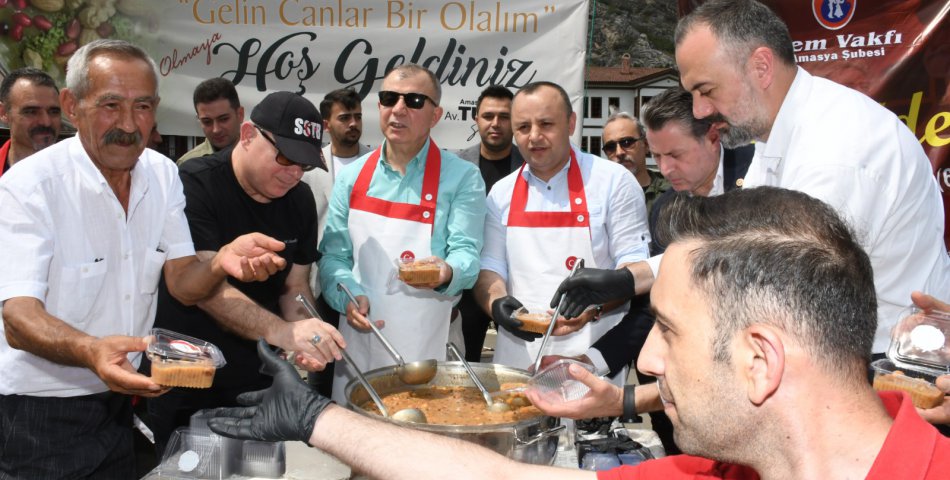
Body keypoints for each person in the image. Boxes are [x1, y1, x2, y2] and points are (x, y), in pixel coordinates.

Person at [208, 187, 950, 480]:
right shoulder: (728, 469)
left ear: (760, 361)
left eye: (665, 328)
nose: (649, 359)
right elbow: (501, 477)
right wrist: (319, 418)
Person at [553, 0, 950, 358]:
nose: (701, 109)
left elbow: (779, 288)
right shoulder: (779, 132)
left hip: (888, 373)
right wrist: (627, 279)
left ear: (760, 66)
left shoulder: (836, 150)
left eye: (706, 89)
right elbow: (732, 241)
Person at [0, 39, 286, 480]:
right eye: (110, 105)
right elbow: (18, 319)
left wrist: (219, 261)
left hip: (122, 404)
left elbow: (180, 280)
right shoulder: (29, 186)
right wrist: (92, 350)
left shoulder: (162, 172)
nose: (129, 124)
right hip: (39, 412)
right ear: (72, 106)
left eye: (144, 106)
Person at [145, 91, 345, 455]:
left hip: (258, 377)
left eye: (305, 164)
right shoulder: (195, 182)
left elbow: (294, 289)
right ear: (249, 134)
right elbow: (206, 291)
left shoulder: (300, 200)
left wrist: (308, 336)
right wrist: (285, 332)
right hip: (186, 374)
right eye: (285, 157)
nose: (294, 173)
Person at [318, 64, 486, 402]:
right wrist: (346, 294)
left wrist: (446, 272)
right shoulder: (352, 177)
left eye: (413, 100)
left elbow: (467, 253)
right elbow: (334, 255)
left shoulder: (462, 177)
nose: (399, 108)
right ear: (379, 106)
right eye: (389, 98)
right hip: (360, 343)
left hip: (431, 342)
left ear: (435, 114)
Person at [473, 81, 650, 385]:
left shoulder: (614, 182)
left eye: (545, 124)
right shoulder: (500, 193)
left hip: (593, 356)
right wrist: (496, 304)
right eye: (523, 127)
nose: (534, 136)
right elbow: (490, 267)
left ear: (570, 123)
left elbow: (635, 267)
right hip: (518, 357)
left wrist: (593, 307)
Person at [302, 87, 373, 394]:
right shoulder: (307, 168)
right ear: (326, 124)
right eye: (345, 118)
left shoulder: (377, 163)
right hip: (320, 282)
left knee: (365, 365)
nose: (353, 123)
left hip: (365, 283)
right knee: (324, 364)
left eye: (358, 116)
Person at [457, 84, 524, 362]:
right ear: (476, 119)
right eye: (488, 116)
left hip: (517, 283)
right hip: (466, 287)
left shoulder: (531, 166)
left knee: (521, 365)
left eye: (504, 116)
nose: (495, 123)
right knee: (464, 366)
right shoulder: (457, 166)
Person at [600, 112, 669, 212]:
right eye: (610, 147)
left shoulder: (675, 193)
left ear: (646, 145)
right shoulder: (598, 197)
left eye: (627, 143)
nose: (619, 152)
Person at [0, 67, 61, 177]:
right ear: (4, 113)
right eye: (32, 112)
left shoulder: (84, 174)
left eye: (53, 112)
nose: (46, 122)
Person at [177, 77, 245, 164]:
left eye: (223, 119)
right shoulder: (188, 164)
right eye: (207, 122)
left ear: (240, 114)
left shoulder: (261, 154)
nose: (216, 130)